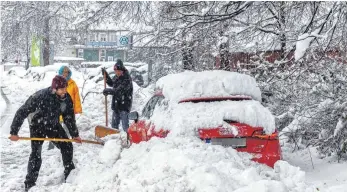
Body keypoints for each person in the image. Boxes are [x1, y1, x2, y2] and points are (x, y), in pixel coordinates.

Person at [9, 75, 82, 191]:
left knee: (67, 146)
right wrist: (14, 131)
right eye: (62, 89)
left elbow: (69, 118)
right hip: (37, 125)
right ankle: (30, 183)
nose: (65, 91)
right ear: (55, 89)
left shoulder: (66, 98)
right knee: (36, 153)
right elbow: (22, 111)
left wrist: (75, 134)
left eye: (65, 88)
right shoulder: (41, 96)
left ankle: (70, 174)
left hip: (53, 125)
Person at [48, 66, 82, 150]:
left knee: (67, 127)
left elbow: (76, 97)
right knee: (54, 127)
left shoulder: (73, 83)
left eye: (67, 72)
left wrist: (77, 109)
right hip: (57, 109)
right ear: (60, 72)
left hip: (67, 109)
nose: (65, 74)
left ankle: (65, 143)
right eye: (63, 72)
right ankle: (52, 145)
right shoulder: (57, 83)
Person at [102, 59, 133, 133]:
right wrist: (105, 75)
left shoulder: (127, 79)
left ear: (122, 70)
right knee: (114, 127)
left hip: (124, 106)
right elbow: (111, 83)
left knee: (125, 127)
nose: (117, 73)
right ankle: (114, 141)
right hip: (116, 105)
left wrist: (108, 91)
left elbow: (119, 91)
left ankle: (129, 139)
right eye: (116, 71)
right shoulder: (117, 77)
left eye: (118, 71)